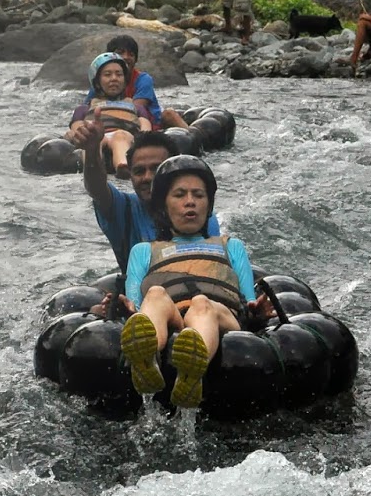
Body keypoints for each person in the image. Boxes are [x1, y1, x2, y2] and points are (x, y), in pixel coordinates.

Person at [117, 156, 273, 410]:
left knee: (202, 304)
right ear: (163, 206)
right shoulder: (144, 250)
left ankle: (191, 374)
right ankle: (147, 360)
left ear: (208, 204)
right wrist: (123, 308)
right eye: (179, 194)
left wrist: (258, 314)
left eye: (198, 195)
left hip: (222, 316)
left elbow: (247, 300)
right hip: (175, 317)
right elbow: (135, 304)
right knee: (155, 294)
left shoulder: (230, 246)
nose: (190, 201)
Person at [76, 128, 222, 269]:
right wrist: (92, 150)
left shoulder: (201, 216)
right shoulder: (123, 210)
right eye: (139, 171)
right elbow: (97, 188)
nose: (148, 177)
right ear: (130, 176)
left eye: (156, 168)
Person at [68, 52, 152, 177]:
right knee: (94, 141)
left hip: (125, 136)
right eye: (107, 75)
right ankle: (92, 169)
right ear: (97, 82)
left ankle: (123, 166)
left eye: (119, 74)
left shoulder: (137, 107)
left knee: (119, 136)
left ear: (125, 80)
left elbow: (146, 128)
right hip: (96, 138)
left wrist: (143, 142)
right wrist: (78, 136)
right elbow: (78, 129)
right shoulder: (84, 109)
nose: (114, 78)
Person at [82, 34, 187, 130]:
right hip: (113, 124)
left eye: (131, 54)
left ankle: (192, 134)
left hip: (147, 124)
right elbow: (87, 108)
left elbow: (135, 110)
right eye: (120, 53)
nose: (126, 57)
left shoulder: (143, 79)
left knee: (169, 114)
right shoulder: (101, 82)